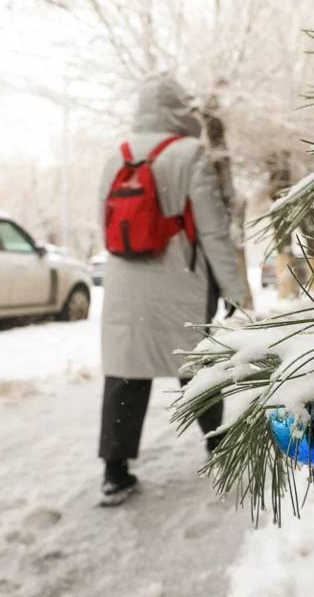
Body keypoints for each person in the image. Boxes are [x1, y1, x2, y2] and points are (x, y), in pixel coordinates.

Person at [96, 76, 248, 506]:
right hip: (180, 280)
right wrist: (236, 292)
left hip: (126, 283)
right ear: (179, 109)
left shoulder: (116, 155)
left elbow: (101, 219)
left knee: (125, 372)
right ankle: (221, 447)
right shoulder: (190, 153)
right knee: (195, 364)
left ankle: (115, 471)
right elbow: (214, 230)